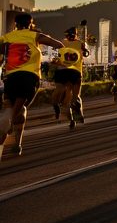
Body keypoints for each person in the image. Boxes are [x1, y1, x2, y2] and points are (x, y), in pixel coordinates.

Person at [0, 13, 63, 160]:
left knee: (10, 109)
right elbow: (58, 44)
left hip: (11, 78)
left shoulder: (7, 37)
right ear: (30, 23)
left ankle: (12, 140)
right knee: (20, 109)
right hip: (29, 77)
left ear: (15, 24)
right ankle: (14, 137)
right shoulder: (35, 35)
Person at [52, 27, 89, 128]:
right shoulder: (81, 43)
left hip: (63, 70)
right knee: (74, 97)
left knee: (66, 97)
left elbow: (55, 56)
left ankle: (58, 106)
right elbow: (86, 53)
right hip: (75, 72)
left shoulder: (62, 43)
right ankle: (76, 116)